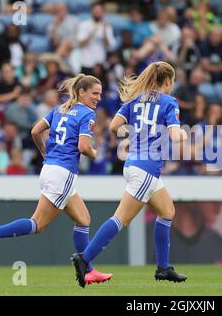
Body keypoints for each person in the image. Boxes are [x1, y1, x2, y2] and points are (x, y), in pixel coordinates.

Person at [71, 62, 188, 287]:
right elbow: (174, 136)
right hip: (146, 168)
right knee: (121, 219)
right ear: (168, 81)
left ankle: (163, 268)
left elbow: (115, 126)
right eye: (172, 82)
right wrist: (182, 134)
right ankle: (84, 259)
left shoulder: (135, 99)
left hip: (134, 163)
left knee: (167, 211)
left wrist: (136, 134)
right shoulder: (169, 102)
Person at [0, 75, 103, 278]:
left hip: (49, 168)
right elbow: (84, 147)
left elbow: (35, 131)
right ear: (81, 92)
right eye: (95, 93)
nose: (98, 97)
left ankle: (88, 270)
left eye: (100, 93)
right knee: (37, 224)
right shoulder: (87, 113)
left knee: (83, 219)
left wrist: (45, 153)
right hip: (63, 172)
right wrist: (94, 153)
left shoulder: (60, 109)